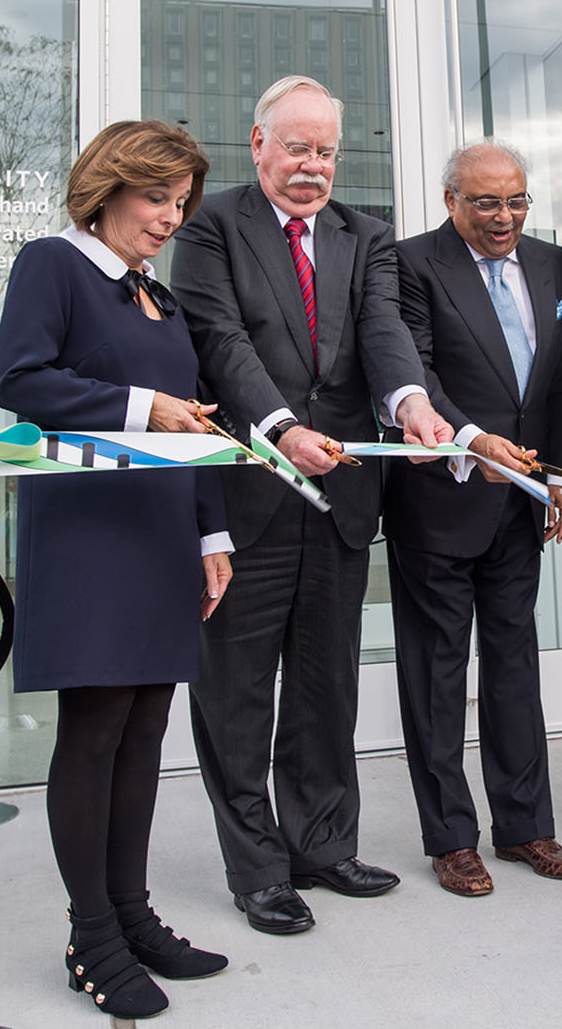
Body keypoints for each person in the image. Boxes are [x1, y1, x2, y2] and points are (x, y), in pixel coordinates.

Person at [171, 75, 454, 934]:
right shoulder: (211, 227)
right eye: (296, 147)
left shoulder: (365, 236)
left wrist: (411, 403)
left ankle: (323, 844)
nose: (313, 166)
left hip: (339, 497)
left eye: (327, 149)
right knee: (238, 692)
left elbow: (383, 334)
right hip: (251, 490)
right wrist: (282, 426)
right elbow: (219, 342)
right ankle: (256, 867)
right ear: (258, 144)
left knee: (326, 686)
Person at [0, 119, 233, 1019]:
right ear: (109, 188)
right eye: (156, 198)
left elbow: (195, 423)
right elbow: (21, 381)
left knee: (144, 732)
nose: (169, 217)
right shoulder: (52, 266)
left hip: (164, 534)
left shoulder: (158, 300)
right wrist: (142, 405)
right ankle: (90, 934)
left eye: (180, 203)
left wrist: (213, 538)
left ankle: (132, 916)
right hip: (90, 534)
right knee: (93, 732)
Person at [384, 143, 562, 897]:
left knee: (513, 666)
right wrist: (472, 437)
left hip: (521, 501)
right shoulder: (409, 263)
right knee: (437, 675)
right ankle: (451, 838)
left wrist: (559, 472)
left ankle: (527, 825)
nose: (504, 217)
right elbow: (417, 368)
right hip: (442, 498)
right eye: (486, 203)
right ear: (450, 202)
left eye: (516, 201)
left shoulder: (550, 264)